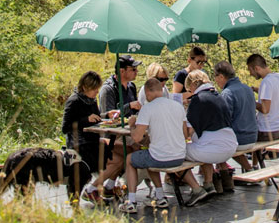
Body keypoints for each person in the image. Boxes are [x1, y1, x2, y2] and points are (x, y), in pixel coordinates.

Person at [118, 78, 187, 214]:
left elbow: (137, 138)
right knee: (149, 153)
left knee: (130, 159)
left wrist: (132, 125)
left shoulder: (148, 108)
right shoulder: (177, 106)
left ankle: (131, 201)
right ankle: (160, 196)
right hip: (180, 156)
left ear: (148, 92)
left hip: (160, 157)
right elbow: (185, 134)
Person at [83, 56, 143, 203]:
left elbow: (134, 114)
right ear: (122, 71)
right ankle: (98, 188)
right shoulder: (108, 89)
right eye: (133, 69)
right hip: (107, 136)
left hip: (126, 132)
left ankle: (110, 185)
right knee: (132, 149)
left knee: (141, 144)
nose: (137, 72)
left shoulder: (131, 87)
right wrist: (129, 106)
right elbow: (107, 117)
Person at [183, 69, 238, 205]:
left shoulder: (197, 100)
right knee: (202, 146)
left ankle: (196, 190)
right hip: (230, 147)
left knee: (174, 153)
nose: (190, 92)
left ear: (194, 85)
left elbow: (187, 133)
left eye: (189, 89)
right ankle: (208, 184)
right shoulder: (218, 96)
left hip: (213, 150)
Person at [214, 60, 257, 175]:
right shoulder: (247, 88)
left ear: (221, 76)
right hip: (253, 136)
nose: (216, 81)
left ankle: (224, 173)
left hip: (240, 140)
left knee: (213, 143)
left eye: (215, 77)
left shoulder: (227, 93)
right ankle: (245, 169)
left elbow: (224, 120)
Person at [61, 71, 108, 175]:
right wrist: (86, 120)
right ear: (85, 87)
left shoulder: (92, 100)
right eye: (95, 88)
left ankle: (107, 184)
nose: (97, 92)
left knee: (112, 148)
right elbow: (65, 128)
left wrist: (108, 115)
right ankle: (96, 186)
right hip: (78, 144)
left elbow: (97, 118)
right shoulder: (73, 101)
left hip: (93, 140)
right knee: (102, 154)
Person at [246, 54, 279, 150]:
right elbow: (271, 92)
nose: (250, 74)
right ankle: (256, 163)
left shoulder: (266, 82)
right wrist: (254, 89)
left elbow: (265, 109)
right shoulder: (278, 77)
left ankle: (253, 162)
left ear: (256, 68)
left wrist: (250, 100)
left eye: (250, 70)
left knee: (241, 135)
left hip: (268, 132)